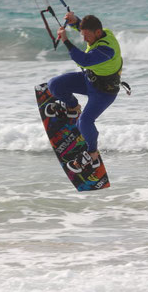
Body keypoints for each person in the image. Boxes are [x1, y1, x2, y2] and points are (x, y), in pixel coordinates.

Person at [47, 12, 123, 173]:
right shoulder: (102, 31)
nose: (84, 39)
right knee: (54, 85)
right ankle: (73, 107)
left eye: (86, 36)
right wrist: (76, 22)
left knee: (84, 122)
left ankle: (92, 152)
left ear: (97, 33)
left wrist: (65, 40)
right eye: (83, 35)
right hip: (89, 80)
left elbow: (84, 60)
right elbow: (88, 28)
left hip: (104, 92)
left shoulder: (106, 49)